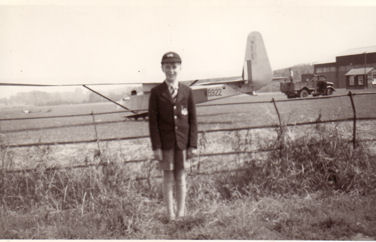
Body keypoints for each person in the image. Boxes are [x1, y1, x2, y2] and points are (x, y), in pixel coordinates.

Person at [148, 51, 198, 221]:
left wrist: (193, 145)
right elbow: (153, 123)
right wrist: (156, 147)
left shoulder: (187, 91)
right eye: (167, 67)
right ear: (162, 68)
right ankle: (170, 215)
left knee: (181, 177)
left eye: (174, 67)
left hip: (183, 144)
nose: (171, 71)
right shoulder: (156, 92)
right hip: (166, 144)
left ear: (180, 68)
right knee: (168, 178)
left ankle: (181, 213)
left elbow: (193, 120)